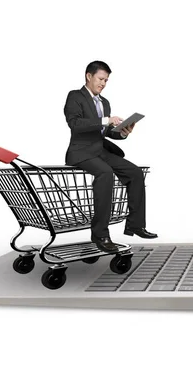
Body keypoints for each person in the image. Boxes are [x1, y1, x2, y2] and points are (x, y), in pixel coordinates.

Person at [63, 60, 158, 253]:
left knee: (135, 173)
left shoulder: (104, 102)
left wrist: (123, 132)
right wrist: (106, 120)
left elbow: (104, 133)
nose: (103, 83)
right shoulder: (75, 96)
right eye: (100, 79)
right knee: (105, 174)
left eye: (106, 80)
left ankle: (135, 225)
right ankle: (100, 235)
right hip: (81, 152)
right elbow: (75, 124)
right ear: (88, 76)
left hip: (101, 151)